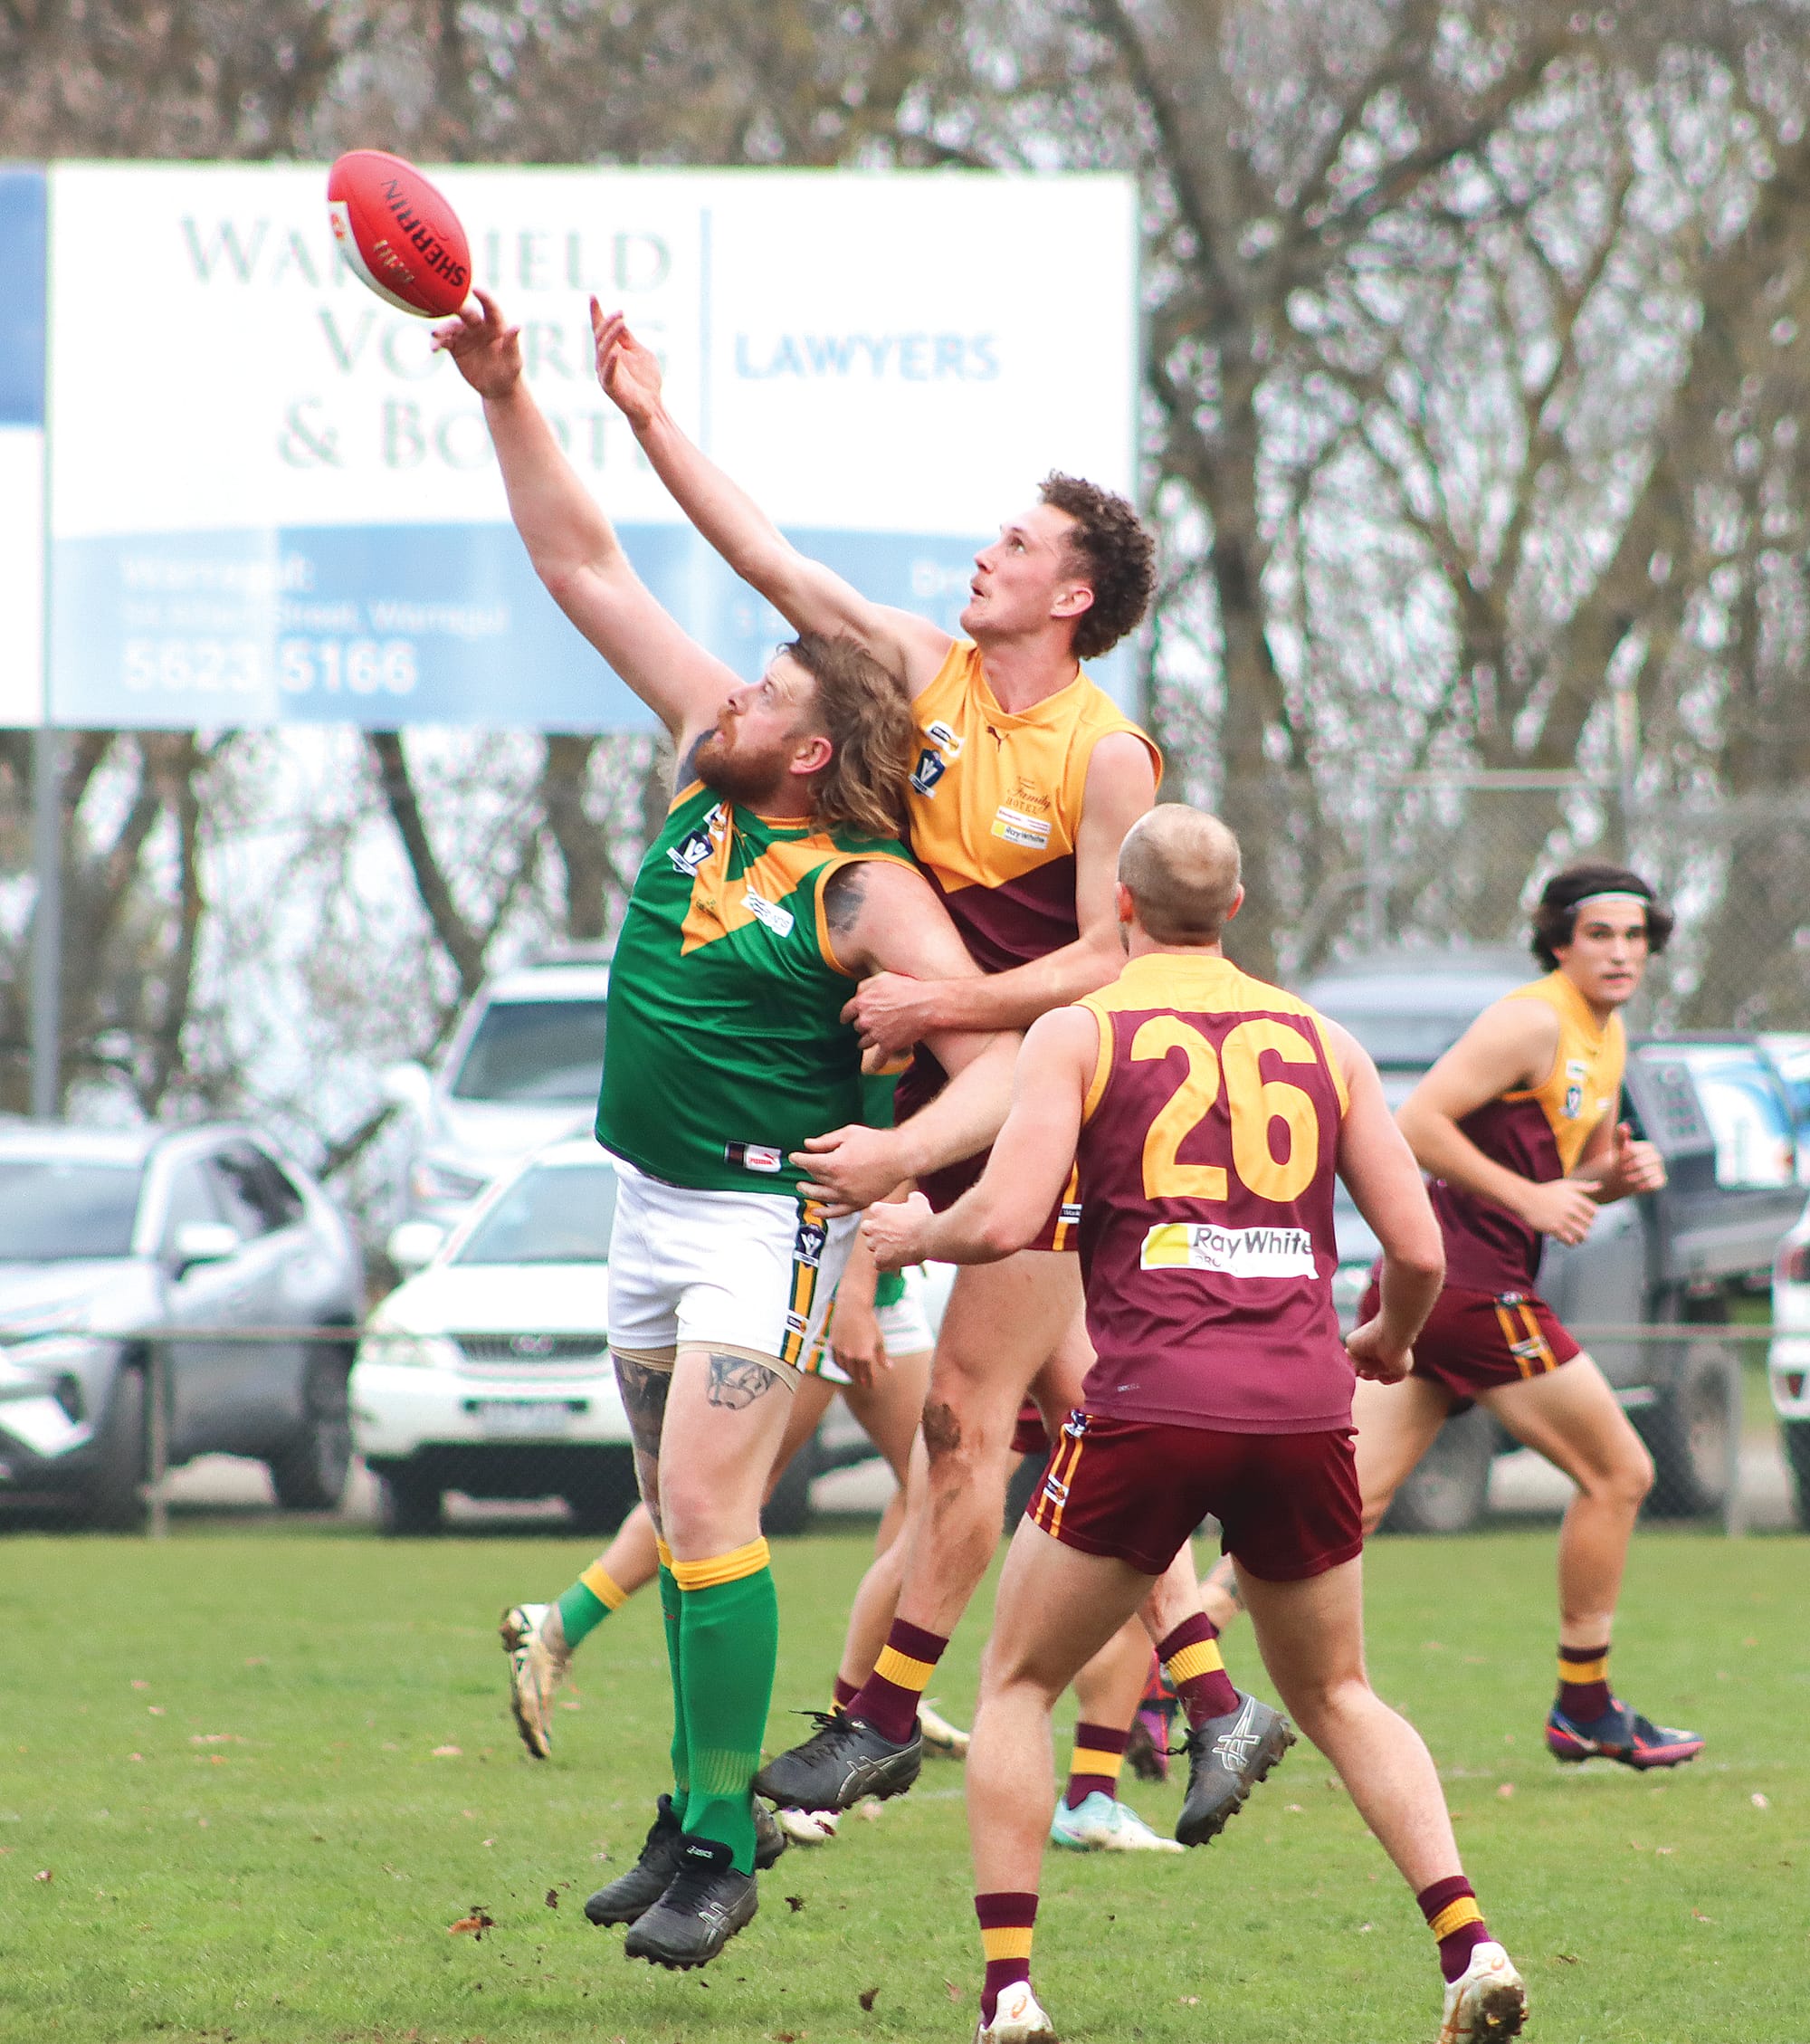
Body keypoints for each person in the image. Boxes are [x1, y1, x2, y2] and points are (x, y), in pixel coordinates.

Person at [591, 304, 1280, 1837]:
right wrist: (647, 420)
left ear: (1077, 590)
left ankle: (879, 1722)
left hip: (1037, 1103)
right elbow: (771, 559)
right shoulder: (928, 664)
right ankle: (1214, 1702)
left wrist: (951, 998)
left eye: (1019, 541)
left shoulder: (1109, 752)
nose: (988, 552)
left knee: (967, 1426)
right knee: (1049, 1416)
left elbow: (1111, 957)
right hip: (927, 1090)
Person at [434, 289, 1021, 1972]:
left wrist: (904, 1157)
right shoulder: (714, 776)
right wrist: (509, 396)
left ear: (814, 744)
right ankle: (693, 1810)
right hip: (652, 1202)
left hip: (774, 1220)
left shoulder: (865, 884)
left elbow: (1003, 1044)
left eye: (760, 682)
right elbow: (587, 573)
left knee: (703, 1500)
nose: (728, 690)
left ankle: (720, 1849)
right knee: (686, 1526)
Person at [864, 805, 1528, 2044]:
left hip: (1151, 1399)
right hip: (1299, 1404)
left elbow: (1006, 1218)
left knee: (1014, 1682)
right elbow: (1421, 1247)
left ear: (1119, 906)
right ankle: (1469, 1941)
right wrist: (1385, 1337)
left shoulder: (1081, 1025)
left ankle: (1009, 1990)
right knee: (1338, 1689)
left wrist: (915, 1230)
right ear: (1234, 910)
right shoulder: (1321, 1037)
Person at [1347, 863, 1703, 1771]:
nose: (1620, 951)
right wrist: (1534, 1201)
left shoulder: (1605, 1033)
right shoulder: (1530, 1016)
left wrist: (1606, 1181)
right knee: (1620, 1470)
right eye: (1598, 934)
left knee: (1340, 1504)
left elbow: (1569, 1179)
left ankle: (1182, 1671)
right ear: (1557, 940)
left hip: (1452, 1285)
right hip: (1469, 1283)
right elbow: (1416, 1121)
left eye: (1634, 936)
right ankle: (1582, 1703)